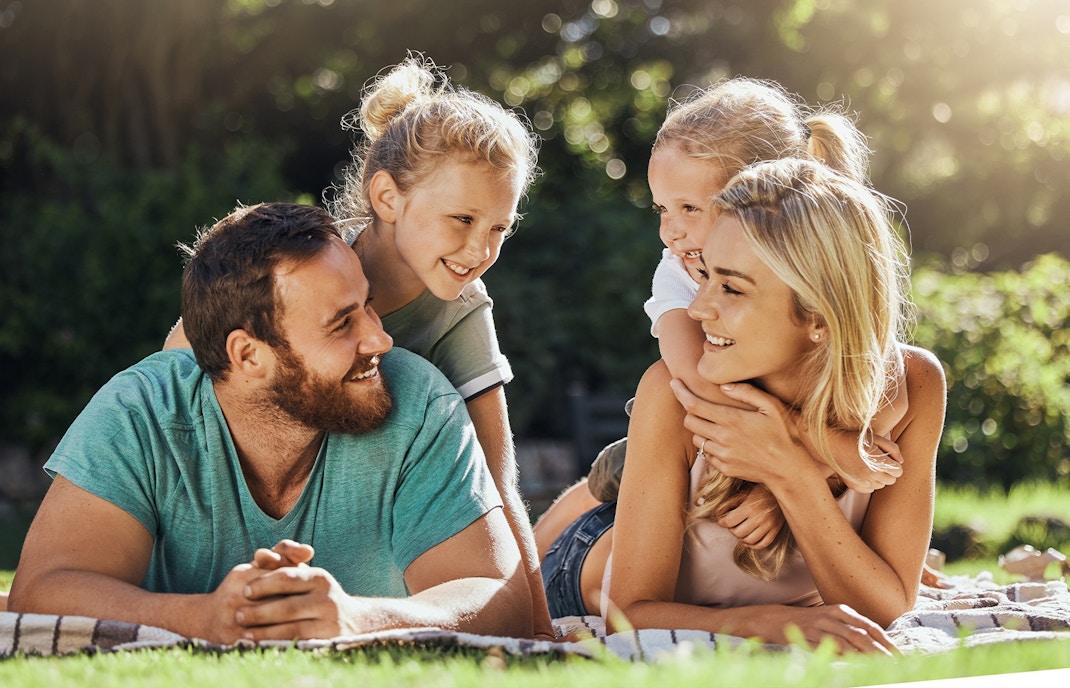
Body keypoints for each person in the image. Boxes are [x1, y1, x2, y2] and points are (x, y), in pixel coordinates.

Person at [8, 202, 533, 643]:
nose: (380, 339)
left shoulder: (419, 404)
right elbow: (43, 589)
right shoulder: (141, 411)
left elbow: (500, 597)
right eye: (342, 324)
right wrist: (202, 618)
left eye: (368, 306)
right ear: (248, 355)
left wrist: (358, 618)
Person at [165, 57, 553, 638]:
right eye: (462, 219)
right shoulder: (309, 263)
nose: (480, 249)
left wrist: (539, 628)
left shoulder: (463, 310)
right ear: (388, 198)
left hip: (375, 504)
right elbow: (178, 368)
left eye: (499, 227)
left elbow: (498, 481)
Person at [541, 159, 946, 653]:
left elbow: (884, 608)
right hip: (583, 567)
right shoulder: (671, 393)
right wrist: (772, 623)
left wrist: (791, 473)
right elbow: (630, 616)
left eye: (731, 287)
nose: (697, 308)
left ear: (819, 316)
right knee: (581, 514)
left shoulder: (912, 386)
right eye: (705, 275)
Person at [533, 78, 904, 560]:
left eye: (689, 208)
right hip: (696, 436)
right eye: (661, 209)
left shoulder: (819, 273)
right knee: (602, 487)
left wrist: (793, 481)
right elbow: (698, 386)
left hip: (778, 438)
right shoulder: (676, 273)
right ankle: (522, 574)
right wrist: (828, 449)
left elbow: (883, 381)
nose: (670, 231)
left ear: (760, 198)